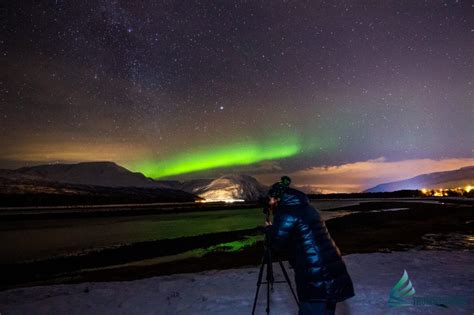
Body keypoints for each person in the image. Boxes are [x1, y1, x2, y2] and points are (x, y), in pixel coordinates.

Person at [265, 176, 355, 315]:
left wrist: (269, 229)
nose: (269, 202)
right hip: (331, 269)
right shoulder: (307, 208)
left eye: (270, 199)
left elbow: (276, 243)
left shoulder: (287, 213)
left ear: (277, 198)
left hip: (315, 275)